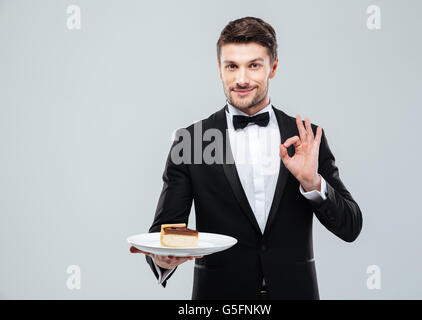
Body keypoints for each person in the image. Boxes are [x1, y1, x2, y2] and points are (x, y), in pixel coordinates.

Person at [130, 16, 362, 300]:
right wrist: (162, 258)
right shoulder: (191, 141)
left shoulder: (307, 139)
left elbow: (351, 227)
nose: (241, 79)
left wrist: (313, 183)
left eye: (253, 65)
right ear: (219, 68)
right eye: (232, 66)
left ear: (273, 67)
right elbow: (164, 232)